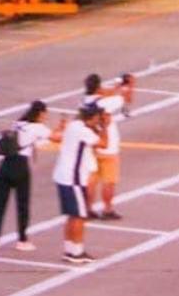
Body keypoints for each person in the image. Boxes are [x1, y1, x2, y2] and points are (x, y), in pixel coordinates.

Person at [0, 101, 62, 252]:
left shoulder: (19, 123)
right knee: (23, 205)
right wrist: (63, 129)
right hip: (21, 167)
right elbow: (56, 138)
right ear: (40, 113)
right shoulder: (38, 127)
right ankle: (22, 239)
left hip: (5, 165)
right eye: (45, 114)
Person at [53, 104, 107, 263]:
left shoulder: (74, 125)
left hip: (63, 175)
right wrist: (104, 126)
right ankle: (77, 251)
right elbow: (103, 144)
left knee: (71, 215)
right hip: (73, 178)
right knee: (79, 216)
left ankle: (69, 249)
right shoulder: (83, 131)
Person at [82, 73, 134, 220]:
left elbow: (104, 93)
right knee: (109, 180)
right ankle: (107, 209)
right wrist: (129, 86)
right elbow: (126, 99)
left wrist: (117, 85)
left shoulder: (86, 101)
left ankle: (87, 208)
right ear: (98, 87)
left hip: (92, 145)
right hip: (108, 146)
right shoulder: (106, 103)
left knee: (91, 180)